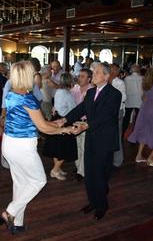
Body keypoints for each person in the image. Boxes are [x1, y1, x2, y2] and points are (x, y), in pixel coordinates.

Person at [0, 61, 73, 235]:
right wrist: (64, 129)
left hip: (9, 143)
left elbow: (36, 122)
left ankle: (17, 223)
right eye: (33, 74)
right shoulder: (28, 98)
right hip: (22, 147)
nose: (36, 77)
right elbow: (43, 128)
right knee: (39, 180)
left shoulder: (11, 94)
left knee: (20, 183)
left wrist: (57, 123)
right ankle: (10, 212)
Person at [55, 63, 122, 220]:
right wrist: (65, 119)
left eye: (97, 72)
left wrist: (87, 124)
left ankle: (102, 205)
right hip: (91, 137)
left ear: (106, 76)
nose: (94, 74)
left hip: (105, 140)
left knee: (100, 174)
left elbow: (107, 115)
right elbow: (81, 109)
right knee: (90, 173)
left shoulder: (114, 94)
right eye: (94, 72)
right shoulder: (91, 92)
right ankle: (93, 201)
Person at [43, 73, 77, 180]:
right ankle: (55, 170)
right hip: (64, 122)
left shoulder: (58, 91)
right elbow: (74, 109)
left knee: (56, 148)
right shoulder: (68, 94)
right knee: (65, 149)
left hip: (56, 119)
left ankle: (57, 169)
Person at [70, 68, 94, 180]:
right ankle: (79, 166)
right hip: (76, 121)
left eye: (83, 76)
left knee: (85, 147)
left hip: (86, 122)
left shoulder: (92, 91)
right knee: (77, 146)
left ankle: (82, 171)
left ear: (89, 79)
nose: (79, 78)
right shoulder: (75, 89)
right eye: (79, 76)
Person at [109, 63, 126, 167]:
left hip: (117, 111)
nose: (111, 72)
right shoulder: (107, 81)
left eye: (112, 70)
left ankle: (118, 160)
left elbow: (123, 97)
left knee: (117, 136)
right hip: (109, 111)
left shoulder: (119, 82)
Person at [122, 64, 143, 138]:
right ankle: (137, 133)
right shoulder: (142, 78)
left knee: (127, 116)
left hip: (129, 99)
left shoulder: (127, 78)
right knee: (138, 117)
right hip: (139, 99)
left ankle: (123, 131)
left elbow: (125, 89)